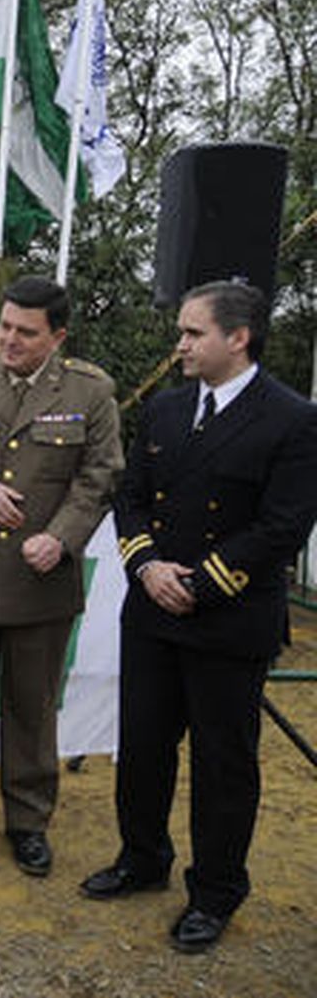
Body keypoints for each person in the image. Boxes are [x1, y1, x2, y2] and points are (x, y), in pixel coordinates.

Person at [80, 280, 317, 953]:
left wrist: (203, 585)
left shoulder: (293, 418)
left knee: (223, 762)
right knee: (144, 746)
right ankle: (142, 857)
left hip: (228, 619)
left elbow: (282, 526)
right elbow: (131, 498)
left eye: (192, 333)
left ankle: (215, 890)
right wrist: (147, 566)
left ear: (237, 338)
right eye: (181, 331)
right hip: (153, 610)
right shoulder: (167, 409)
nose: (179, 344)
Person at [0, 276, 122, 876]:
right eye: (5, 326)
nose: (9, 339)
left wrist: (61, 538)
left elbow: (101, 475)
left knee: (32, 708)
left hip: (43, 579)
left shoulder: (90, 391)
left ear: (57, 336)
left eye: (25, 333)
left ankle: (28, 820)